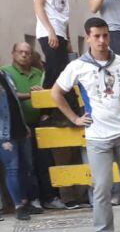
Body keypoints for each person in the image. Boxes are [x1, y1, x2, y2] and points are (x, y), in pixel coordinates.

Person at [51, 17, 120, 232]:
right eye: (96, 36)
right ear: (88, 37)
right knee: (101, 187)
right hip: (97, 135)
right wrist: (74, 118)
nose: (102, 40)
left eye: (105, 35)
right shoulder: (77, 66)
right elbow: (56, 92)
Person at [1, 42, 69, 211]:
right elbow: (10, 96)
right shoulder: (6, 72)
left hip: (38, 125)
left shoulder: (39, 73)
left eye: (28, 53)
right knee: (20, 167)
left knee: (41, 163)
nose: (24, 55)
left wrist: (45, 107)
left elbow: (50, 93)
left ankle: (45, 198)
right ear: (13, 53)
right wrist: (30, 95)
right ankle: (27, 201)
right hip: (15, 127)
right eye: (20, 52)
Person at [32, 0, 71, 88]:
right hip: (48, 32)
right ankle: (46, 107)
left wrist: (68, 39)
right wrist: (50, 31)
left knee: (63, 72)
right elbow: (38, 6)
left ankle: (52, 106)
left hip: (61, 32)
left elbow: (65, 13)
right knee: (56, 71)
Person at [0, 66, 35, 220]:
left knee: (24, 167)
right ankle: (18, 206)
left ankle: (26, 202)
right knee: (12, 169)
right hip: (5, 133)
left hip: (19, 128)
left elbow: (14, 101)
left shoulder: (4, 74)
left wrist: (23, 124)